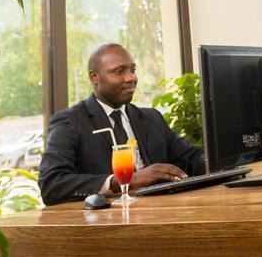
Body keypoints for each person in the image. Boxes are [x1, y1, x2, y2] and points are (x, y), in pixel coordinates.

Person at [38, 43, 206, 206]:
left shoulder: (151, 118)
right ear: (94, 77)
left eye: (133, 70)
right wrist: (123, 181)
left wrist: (225, 159)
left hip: (162, 213)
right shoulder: (70, 122)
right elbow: (52, 185)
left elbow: (191, 159)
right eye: (119, 72)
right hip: (107, 224)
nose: (131, 78)